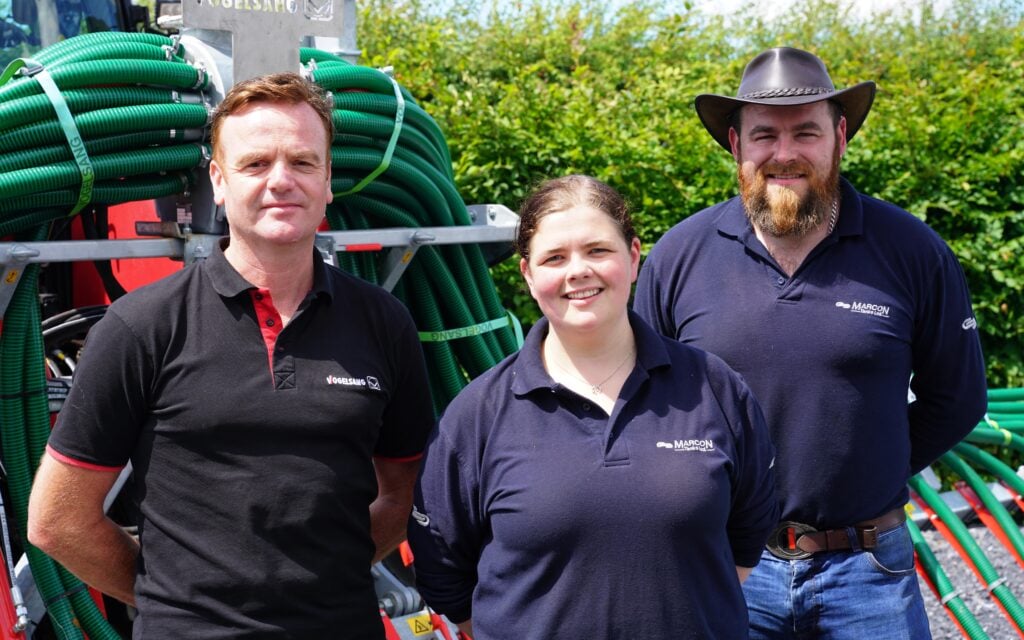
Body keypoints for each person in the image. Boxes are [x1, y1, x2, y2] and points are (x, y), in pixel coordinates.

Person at [27, 72, 434, 638]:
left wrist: (326, 578)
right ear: (218, 181)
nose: (281, 180)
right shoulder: (142, 326)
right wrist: (170, 598)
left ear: (327, 181)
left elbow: (406, 492)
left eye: (302, 162)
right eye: (255, 164)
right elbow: (57, 520)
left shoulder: (383, 322)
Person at [634, 47, 987, 639]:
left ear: (839, 138)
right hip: (726, 568)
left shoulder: (911, 250)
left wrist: (871, 468)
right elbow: (642, 401)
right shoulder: (680, 256)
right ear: (736, 145)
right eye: (764, 135)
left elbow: (958, 399)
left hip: (868, 572)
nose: (784, 153)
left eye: (806, 132)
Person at [407, 175, 778, 639]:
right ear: (527, 274)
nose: (578, 271)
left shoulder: (713, 388)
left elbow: (748, 534)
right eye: (554, 258)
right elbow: (442, 568)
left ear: (634, 257)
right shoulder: (477, 415)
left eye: (597, 250)